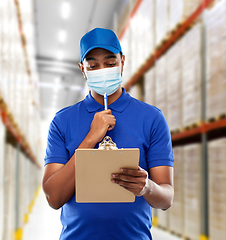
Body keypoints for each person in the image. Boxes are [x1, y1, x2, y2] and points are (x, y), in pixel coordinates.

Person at [42, 27, 174, 240]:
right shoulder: (62, 121)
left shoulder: (151, 118)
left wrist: (147, 187)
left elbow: (167, 198)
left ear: (122, 61)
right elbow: (54, 197)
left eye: (110, 63)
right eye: (93, 65)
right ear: (82, 69)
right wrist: (90, 139)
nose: (102, 70)